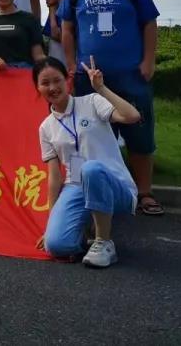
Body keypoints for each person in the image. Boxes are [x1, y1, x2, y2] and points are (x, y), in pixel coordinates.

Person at [58, 0, 163, 216]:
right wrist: (70, 61)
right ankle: (90, 192)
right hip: (88, 77)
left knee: (139, 133)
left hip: (131, 74)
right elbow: (66, 27)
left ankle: (144, 193)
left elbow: (150, 23)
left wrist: (148, 61)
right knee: (92, 136)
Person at [35, 56, 141, 267]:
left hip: (112, 184)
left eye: (57, 80)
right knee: (56, 245)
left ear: (67, 80)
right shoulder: (46, 127)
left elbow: (132, 116)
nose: (52, 87)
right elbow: (55, 177)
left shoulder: (92, 102)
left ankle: (103, 242)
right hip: (76, 187)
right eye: (45, 83)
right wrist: (50, 224)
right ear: (37, 88)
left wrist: (101, 89)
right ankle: (85, 231)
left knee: (91, 169)